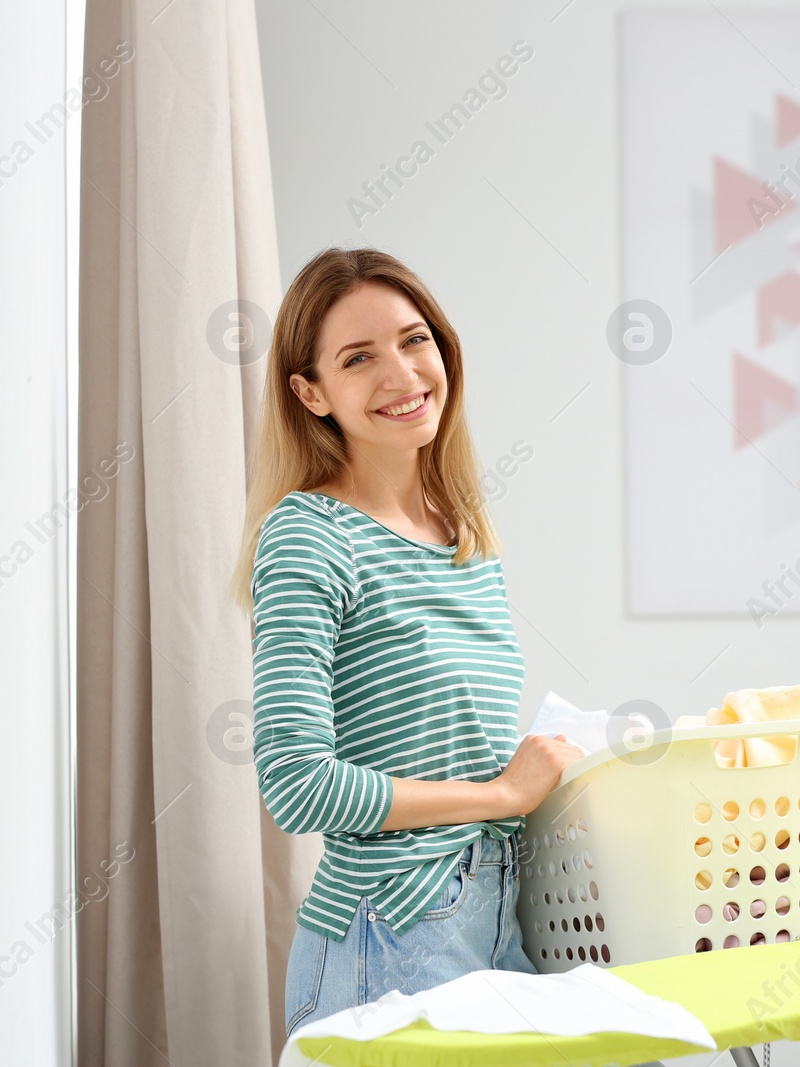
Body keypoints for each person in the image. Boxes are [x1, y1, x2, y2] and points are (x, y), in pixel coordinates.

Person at [229, 247, 584, 1037]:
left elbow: (450, 748)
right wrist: (500, 796)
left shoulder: (463, 534)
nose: (401, 372)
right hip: (390, 936)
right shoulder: (308, 535)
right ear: (310, 392)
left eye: (413, 338)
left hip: (493, 919)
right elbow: (295, 783)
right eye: (359, 357)